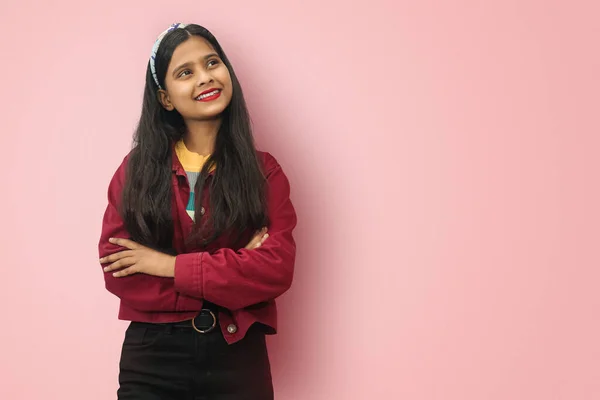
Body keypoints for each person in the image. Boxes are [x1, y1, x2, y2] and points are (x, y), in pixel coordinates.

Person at [97, 22, 297, 400]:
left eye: (212, 63)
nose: (205, 78)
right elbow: (118, 269)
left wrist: (166, 265)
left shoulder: (264, 173)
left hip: (239, 356)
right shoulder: (137, 170)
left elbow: (276, 269)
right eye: (185, 72)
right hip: (152, 359)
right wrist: (233, 274)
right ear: (166, 98)